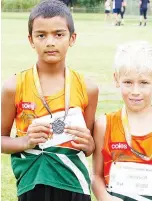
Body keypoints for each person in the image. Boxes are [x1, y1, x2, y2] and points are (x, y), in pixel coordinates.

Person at [1, 1, 99, 201]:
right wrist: (25, 141)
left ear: (72, 38)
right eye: (41, 35)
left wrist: (89, 144)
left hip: (74, 183)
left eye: (59, 34)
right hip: (33, 182)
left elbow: (88, 147)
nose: (50, 42)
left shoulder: (88, 88)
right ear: (31, 40)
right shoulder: (14, 86)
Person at [91, 41, 152, 201]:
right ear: (116, 79)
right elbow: (95, 176)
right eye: (128, 82)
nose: (135, 91)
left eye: (144, 83)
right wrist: (105, 197)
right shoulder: (104, 125)